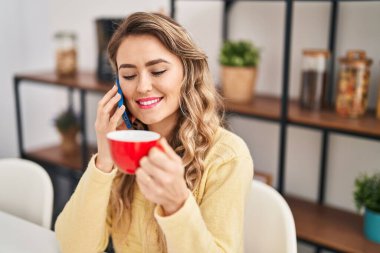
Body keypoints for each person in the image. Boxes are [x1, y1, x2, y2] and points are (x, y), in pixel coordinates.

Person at [55, 12, 253, 253]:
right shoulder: (124, 153)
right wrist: (105, 160)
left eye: (158, 71)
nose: (142, 87)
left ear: (187, 73)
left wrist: (177, 205)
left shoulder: (227, 156)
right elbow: (73, 247)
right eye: (128, 75)